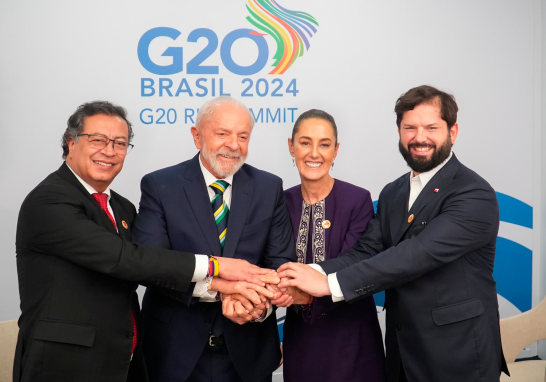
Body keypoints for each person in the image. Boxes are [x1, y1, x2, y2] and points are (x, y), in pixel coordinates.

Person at [14, 101, 271, 382]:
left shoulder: (121, 208)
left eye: (120, 143)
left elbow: (147, 267)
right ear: (71, 143)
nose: (109, 151)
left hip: (121, 360)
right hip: (64, 364)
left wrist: (223, 287)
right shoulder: (49, 201)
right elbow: (125, 258)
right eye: (98, 140)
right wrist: (215, 267)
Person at [278, 85, 509, 382]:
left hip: (457, 356)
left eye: (431, 127)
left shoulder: (473, 193)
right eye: (409, 127)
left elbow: (415, 255)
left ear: (453, 132)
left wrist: (328, 283)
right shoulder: (393, 192)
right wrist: (304, 274)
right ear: (399, 132)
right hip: (402, 355)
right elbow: (366, 252)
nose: (419, 137)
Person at [132, 96, 296, 382]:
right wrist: (221, 288)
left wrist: (257, 307)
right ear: (197, 136)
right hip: (174, 355)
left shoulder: (269, 188)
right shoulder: (160, 186)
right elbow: (151, 264)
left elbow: (280, 264)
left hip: (247, 354)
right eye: (222, 134)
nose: (233, 144)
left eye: (242, 136)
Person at [281, 109, 387, 382]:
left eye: (324, 144)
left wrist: (306, 285)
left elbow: (358, 261)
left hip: (351, 338)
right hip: (300, 338)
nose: (314, 153)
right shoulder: (280, 203)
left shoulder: (358, 199)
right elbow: (273, 261)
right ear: (291, 146)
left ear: (336, 150)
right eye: (305, 142)